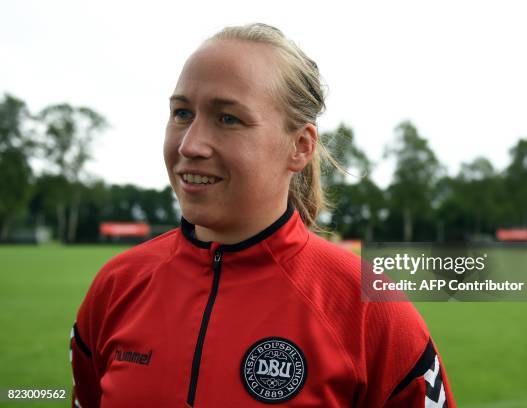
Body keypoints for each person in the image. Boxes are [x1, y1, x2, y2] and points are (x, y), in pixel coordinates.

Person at [69, 23, 455, 407]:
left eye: (228, 118)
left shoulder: (368, 310)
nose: (191, 144)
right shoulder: (116, 287)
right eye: (182, 113)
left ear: (300, 147)